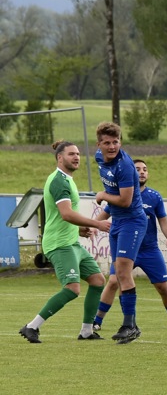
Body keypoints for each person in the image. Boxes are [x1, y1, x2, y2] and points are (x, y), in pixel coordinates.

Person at [19, 140, 112, 343]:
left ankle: (87, 331)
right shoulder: (59, 181)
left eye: (78, 154)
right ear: (60, 158)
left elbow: (62, 216)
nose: (77, 157)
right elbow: (66, 214)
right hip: (59, 244)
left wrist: (78, 230)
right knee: (72, 288)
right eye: (71, 154)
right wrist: (97, 225)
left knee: (97, 281)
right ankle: (31, 326)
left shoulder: (67, 179)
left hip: (71, 243)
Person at [92, 159, 167, 331]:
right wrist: (91, 227)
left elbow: (163, 221)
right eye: (137, 169)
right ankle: (97, 320)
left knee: (163, 287)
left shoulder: (154, 197)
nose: (142, 172)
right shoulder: (120, 196)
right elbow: (103, 215)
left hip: (149, 250)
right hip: (126, 250)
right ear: (130, 173)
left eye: (145, 169)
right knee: (113, 281)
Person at [94, 121, 148, 344]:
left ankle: (129, 325)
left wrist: (103, 196)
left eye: (115, 142)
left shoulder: (124, 166)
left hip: (132, 221)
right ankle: (130, 325)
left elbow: (125, 201)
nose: (112, 146)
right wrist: (97, 222)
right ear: (99, 144)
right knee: (116, 276)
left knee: (123, 273)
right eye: (107, 143)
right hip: (117, 223)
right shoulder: (99, 158)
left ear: (121, 142)